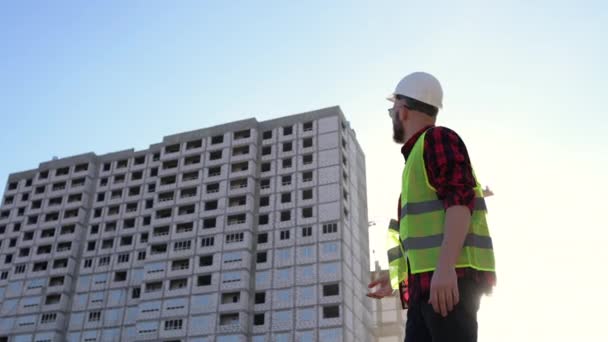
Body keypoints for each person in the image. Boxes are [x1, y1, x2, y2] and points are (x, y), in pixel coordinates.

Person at [367, 72, 496, 342]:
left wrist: (446, 266)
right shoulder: (416, 158)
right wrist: (395, 281)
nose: (392, 115)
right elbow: (418, 237)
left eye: (392, 109)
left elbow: (459, 199)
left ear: (402, 110)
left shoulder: (437, 139)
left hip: (446, 286)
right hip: (424, 290)